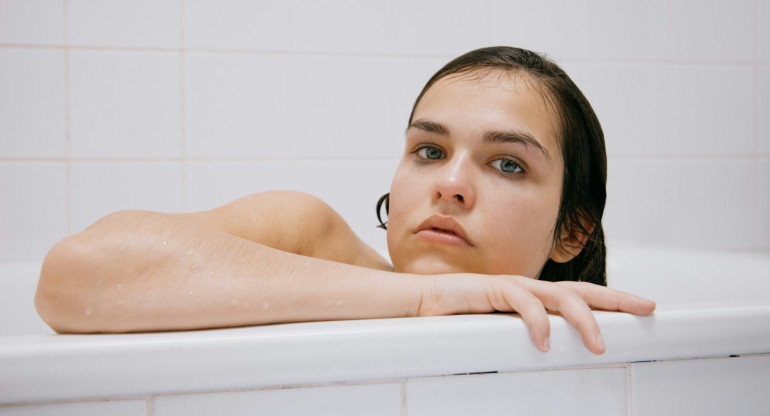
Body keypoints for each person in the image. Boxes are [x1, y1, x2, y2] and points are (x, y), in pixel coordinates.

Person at [35, 46, 655, 355]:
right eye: (430, 150)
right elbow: (77, 275)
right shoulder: (310, 237)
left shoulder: (604, 353)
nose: (450, 183)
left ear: (571, 232)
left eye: (507, 163)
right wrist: (429, 298)